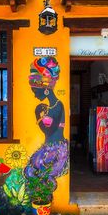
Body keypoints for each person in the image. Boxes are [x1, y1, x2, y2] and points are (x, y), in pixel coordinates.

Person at [24, 57, 68, 189]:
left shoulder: (57, 106)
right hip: (48, 147)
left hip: (56, 150)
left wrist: (38, 114)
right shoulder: (51, 107)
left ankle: (42, 195)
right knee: (30, 170)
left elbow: (49, 130)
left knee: (38, 171)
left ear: (45, 88)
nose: (35, 95)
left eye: (35, 91)